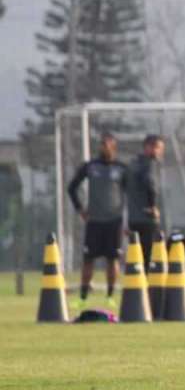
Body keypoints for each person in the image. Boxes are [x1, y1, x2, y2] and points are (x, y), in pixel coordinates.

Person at [67, 132, 128, 310]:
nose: (104, 147)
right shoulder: (90, 166)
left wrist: (126, 221)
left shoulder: (121, 168)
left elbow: (130, 194)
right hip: (94, 221)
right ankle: (83, 297)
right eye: (102, 144)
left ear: (114, 147)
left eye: (108, 144)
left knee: (112, 259)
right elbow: (71, 188)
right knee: (88, 260)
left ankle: (110, 296)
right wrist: (80, 209)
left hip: (114, 221)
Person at [126, 134, 165, 272]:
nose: (160, 152)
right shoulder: (150, 163)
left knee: (137, 255)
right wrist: (153, 206)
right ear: (148, 147)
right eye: (158, 148)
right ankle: (150, 289)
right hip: (147, 218)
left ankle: (138, 288)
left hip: (133, 218)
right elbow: (150, 184)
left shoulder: (133, 164)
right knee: (151, 256)